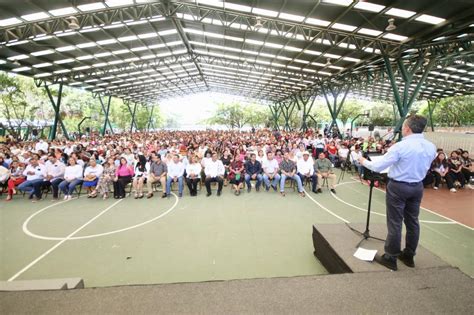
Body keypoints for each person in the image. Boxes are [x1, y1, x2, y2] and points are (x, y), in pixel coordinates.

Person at [358, 115, 436, 271]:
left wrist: (362, 161)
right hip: (417, 186)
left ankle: (390, 257)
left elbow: (378, 167)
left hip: (399, 187)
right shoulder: (431, 146)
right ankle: (409, 255)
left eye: (403, 126)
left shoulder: (400, 147)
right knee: (413, 221)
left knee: (395, 222)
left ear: (407, 128)